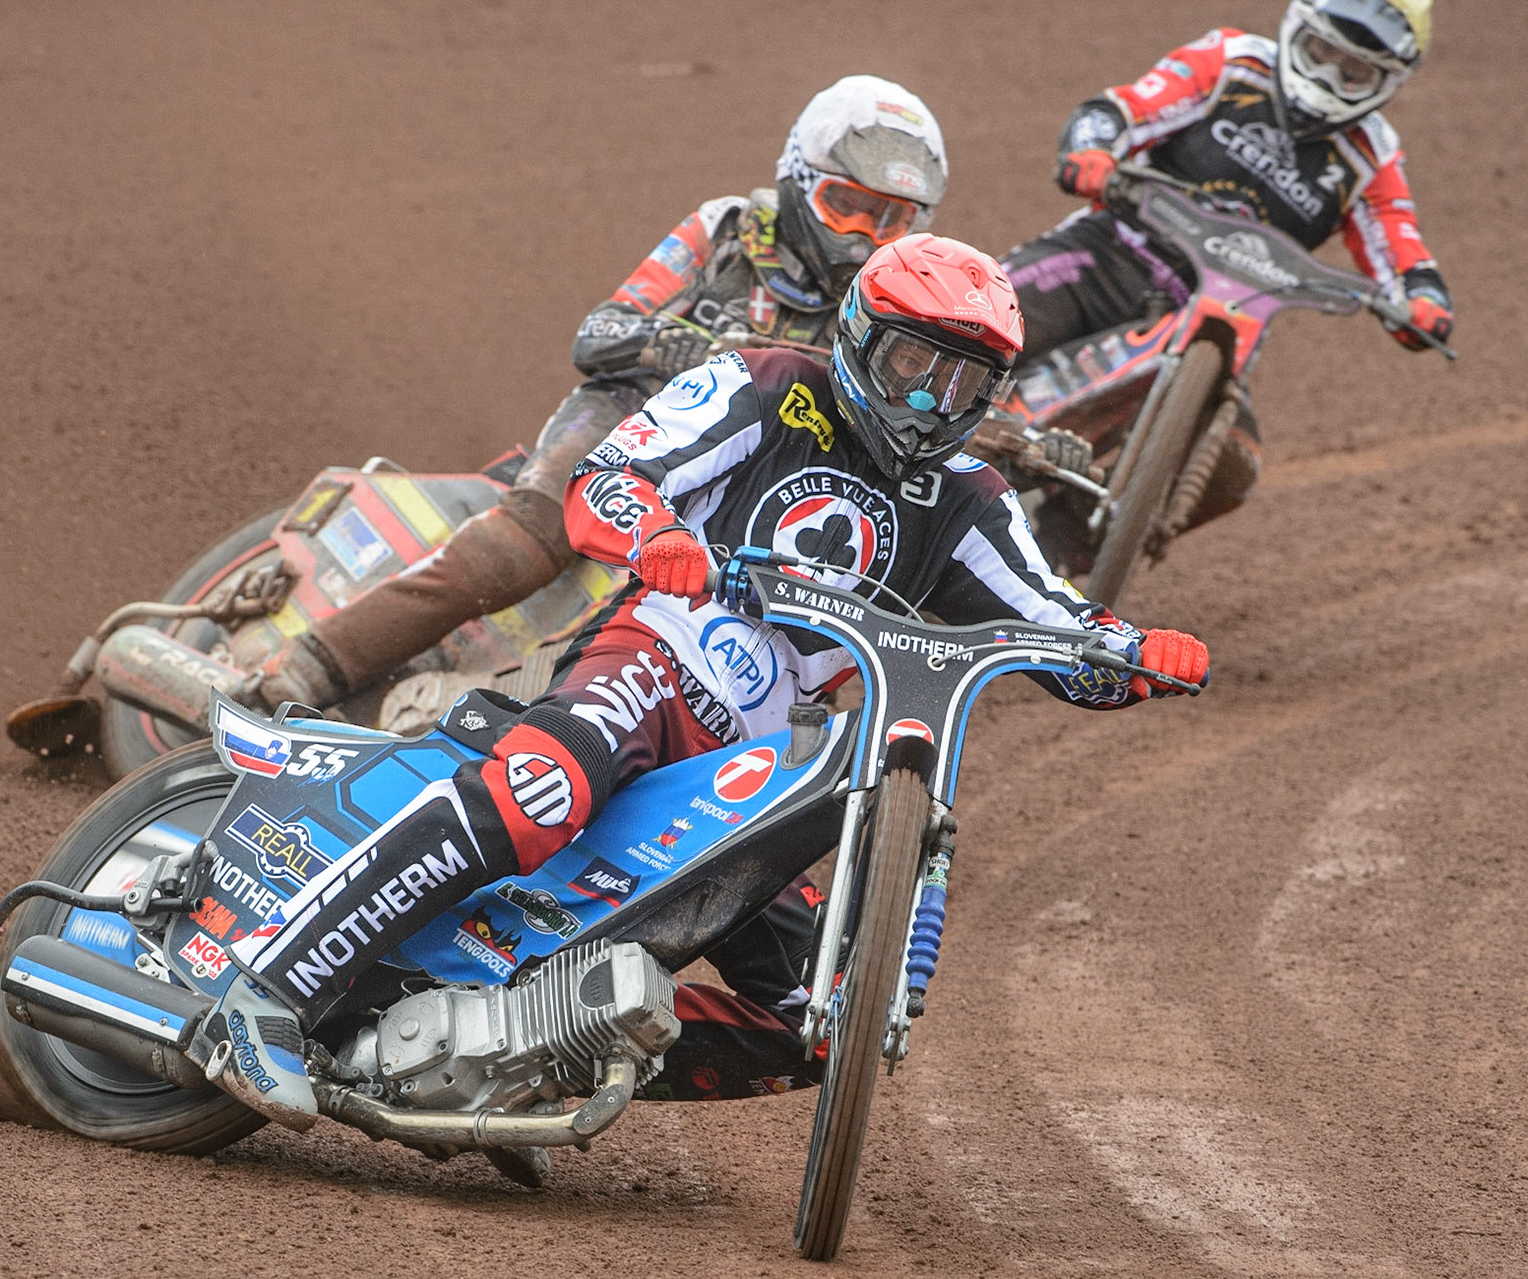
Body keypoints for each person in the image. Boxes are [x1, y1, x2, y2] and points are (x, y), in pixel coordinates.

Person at [200, 235, 1211, 1125]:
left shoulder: (968, 497)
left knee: (813, 1019)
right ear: (863, 334)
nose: (929, 403)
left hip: (765, 761)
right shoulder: (765, 383)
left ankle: (529, 1058)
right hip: (657, 661)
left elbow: (1050, 615)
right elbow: (609, 479)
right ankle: (260, 996)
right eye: (914, 365)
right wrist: (661, 534)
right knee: (533, 795)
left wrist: (1128, 652)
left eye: (962, 385)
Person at [257, 74, 951, 711]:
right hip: (635, 420)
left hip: (748, 478)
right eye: (849, 208)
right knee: (527, 543)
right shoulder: (726, 232)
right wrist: (668, 343)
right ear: (800, 181)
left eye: (892, 220)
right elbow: (598, 332)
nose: (866, 239)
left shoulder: (885, 308)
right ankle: (316, 663)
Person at [1002, 0, 1450, 533]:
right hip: (1110, 256)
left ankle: (1069, 553)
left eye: (1354, 71)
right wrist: (1094, 150)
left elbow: (1400, 244)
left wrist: (1425, 300)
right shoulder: (1233, 63)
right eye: (1323, 52)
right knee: (979, 318)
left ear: (1388, 81)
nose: (1331, 74)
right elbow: (1124, 109)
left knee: (1228, 466)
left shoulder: (1370, 156)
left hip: (1219, 326)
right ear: (1296, 30)